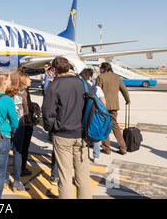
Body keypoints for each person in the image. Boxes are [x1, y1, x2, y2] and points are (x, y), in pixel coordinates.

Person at [42, 57, 92, 199]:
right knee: (83, 177)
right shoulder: (82, 83)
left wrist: (51, 128)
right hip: (81, 134)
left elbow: (47, 111)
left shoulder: (54, 86)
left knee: (65, 176)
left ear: (55, 70)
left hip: (62, 134)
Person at [96, 62, 131, 155]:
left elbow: (97, 92)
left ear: (103, 69)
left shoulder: (100, 77)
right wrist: (128, 100)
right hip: (114, 106)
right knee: (115, 126)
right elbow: (124, 90)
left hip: (103, 106)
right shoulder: (117, 77)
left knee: (104, 126)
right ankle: (123, 147)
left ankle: (106, 148)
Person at [79, 68, 107, 162]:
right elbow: (103, 102)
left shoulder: (80, 86)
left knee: (82, 136)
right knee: (95, 135)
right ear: (90, 77)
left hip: (81, 114)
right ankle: (96, 156)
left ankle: (83, 155)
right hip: (93, 115)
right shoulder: (96, 88)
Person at [4, 71, 25, 192]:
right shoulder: (22, 94)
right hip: (19, 124)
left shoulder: (4, 94)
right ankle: (16, 181)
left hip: (6, 125)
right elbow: (26, 111)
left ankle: (5, 180)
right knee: (18, 153)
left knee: (5, 152)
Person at [18, 71, 34, 176]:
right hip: (24, 123)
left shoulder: (25, 91)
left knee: (23, 147)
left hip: (26, 122)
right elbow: (25, 109)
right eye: (28, 79)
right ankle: (21, 168)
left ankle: (21, 167)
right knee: (23, 148)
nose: (31, 80)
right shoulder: (22, 94)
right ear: (24, 81)